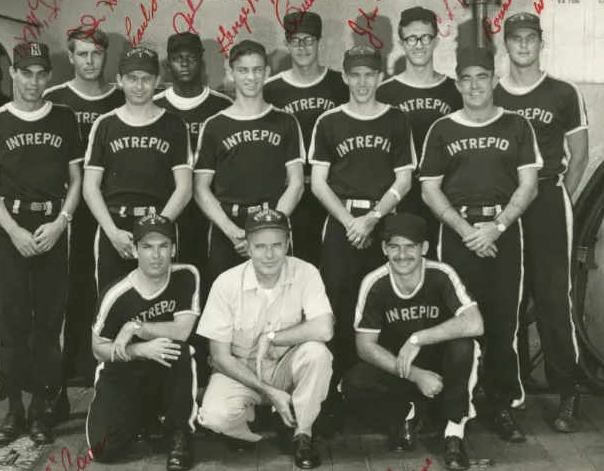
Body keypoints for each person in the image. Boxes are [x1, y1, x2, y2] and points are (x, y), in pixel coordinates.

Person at [420, 46, 543, 442]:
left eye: (482, 77)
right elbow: (429, 191)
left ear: (494, 79)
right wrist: (466, 231)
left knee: (504, 322)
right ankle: (455, 407)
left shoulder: (517, 124)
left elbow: (529, 184)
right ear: (457, 83)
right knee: (457, 323)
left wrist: (498, 226)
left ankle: (503, 405)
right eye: (466, 79)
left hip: (503, 234)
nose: (474, 86)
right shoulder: (442, 128)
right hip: (457, 235)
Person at [0, 42, 83, 445]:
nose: (34, 81)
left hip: (52, 224)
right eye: (26, 73)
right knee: (11, 317)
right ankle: (14, 411)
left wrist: (61, 223)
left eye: (41, 74)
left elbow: (76, 180)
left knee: (50, 320)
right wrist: (13, 230)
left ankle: (41, 409)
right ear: (12, 73)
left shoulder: (64, 118)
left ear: (48, 77)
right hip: (10, 225)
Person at [308, 45, 416, 430]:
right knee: (337, 307)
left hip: (382, 222)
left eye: (370, 74)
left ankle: (384, 399)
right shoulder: (330, 121)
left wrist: (371, 218)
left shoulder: (396, 119)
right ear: (345, 77)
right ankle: (333, 397)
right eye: (355, 74)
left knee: (385, 308)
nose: (362, 82)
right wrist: (350, 222)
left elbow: (404, 178)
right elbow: (319, 183)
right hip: (340, 223)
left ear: (380, 77)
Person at [493, 12, 589, 433]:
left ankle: (567, 390)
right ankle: (510, 394)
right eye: (516, 39)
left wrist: (557, 197)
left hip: (548, 197)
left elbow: (580, 155)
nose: (524, 46)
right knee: (507, 299)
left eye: (531, 38)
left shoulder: (563, 92)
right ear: (506, 45)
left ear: (541, 43)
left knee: (553, 298)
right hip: (505, 202)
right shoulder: (492, 94)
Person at [342, 213, 482, 471]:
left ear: (424, 248)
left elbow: (475, 323)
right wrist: (416, 375)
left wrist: (418, 339)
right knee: (353, 382)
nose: (402, 254)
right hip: (404, 368)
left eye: (410, 246)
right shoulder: (375, 283)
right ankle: (405, 412)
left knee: (465, 345)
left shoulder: (441, 274)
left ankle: (454, 433)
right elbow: (365, 346)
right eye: (394, 246)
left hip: (442, 367)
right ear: (384, 248)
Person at [196, 209, 334, 469]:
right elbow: (219, 357)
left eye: (276, 245)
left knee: (318, 353)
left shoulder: (306, 272)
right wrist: (269, 391)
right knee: (215, 416)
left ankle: (301, 434)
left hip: (285, 367)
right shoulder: (226, 283)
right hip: (241, 370)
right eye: (260, 247)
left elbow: (325, 329)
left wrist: (271, 337)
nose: (269, 255)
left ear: (287, 244)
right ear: (247, 247)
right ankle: (250, 428)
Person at [42, 29, 126, 422]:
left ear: (106, 57)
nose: (90, 61)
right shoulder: (54, 98)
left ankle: (107, 390)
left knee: (106, 297)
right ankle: (56, 389)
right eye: (82, 54)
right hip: (67, 213)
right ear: (71, 56)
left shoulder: (121, 97)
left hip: (110, 214)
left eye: (96, 54)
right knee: (63, 298)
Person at [86, 214, 199, 470]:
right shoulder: (116, 294)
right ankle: (142, 418)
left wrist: (136, 327)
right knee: (104, 451)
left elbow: (181, 330)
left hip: (163, 366)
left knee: (177, 349)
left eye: (163, 246)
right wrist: (139, 349)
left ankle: (178, 431)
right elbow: (98, 349)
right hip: (124, 371)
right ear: (135, 250)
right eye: (147, 246)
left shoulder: (186, 276)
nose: (156, 254)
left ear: (174, 249)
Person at [153, 32, 233, 389]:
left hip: (211, 212)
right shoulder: (155, 104)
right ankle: (173, 373)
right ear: (167, 63)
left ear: (203, 60)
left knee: (212, 288)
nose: (184, 62)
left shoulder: (220, 105)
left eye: (191, 56)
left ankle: (210, 368)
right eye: (177, 56)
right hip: (169, 210)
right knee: (172, 290)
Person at [193, 40, 305, 284]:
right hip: (229, 229)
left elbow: (296, 184)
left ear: (266, 72)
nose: (251, 77)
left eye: (257, 69)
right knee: (226, 306)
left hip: (273, 222)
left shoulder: (285, 121)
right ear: (231, 72)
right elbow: (200, 188)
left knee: (278, 304)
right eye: (243, 70)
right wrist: (230, 230)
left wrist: (269, 226)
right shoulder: (214, 125)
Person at [84, 45, 193, 294]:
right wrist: (111, 232)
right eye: (132, 78)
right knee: (111, 300)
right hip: (115, 226)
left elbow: (185, 188)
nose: (139, 86)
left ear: (158, 81)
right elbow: (90, 187)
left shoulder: (174, 125)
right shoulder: (105, 124)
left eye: (146, 79)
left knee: (160, 302)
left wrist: (155, 232)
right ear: (120, 81)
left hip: (160, 222)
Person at [376, 7, 463, 259]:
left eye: (426, 37)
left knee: (442, 262)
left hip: (446, 194)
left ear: (435, 40)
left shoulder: (454, 90)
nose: (419, 45)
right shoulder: (384, 93)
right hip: (400, 194)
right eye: (411, 38)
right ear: (401, 43)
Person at [264, 11, 349, 267]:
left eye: (308, 40)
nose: (302, 47)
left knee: (334, 266)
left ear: (319, 42)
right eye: (295, 41)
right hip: (291, 190)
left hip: (334, 189)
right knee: (296, 265)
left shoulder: (340, 84)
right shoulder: (270, 89)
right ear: (287, 44)